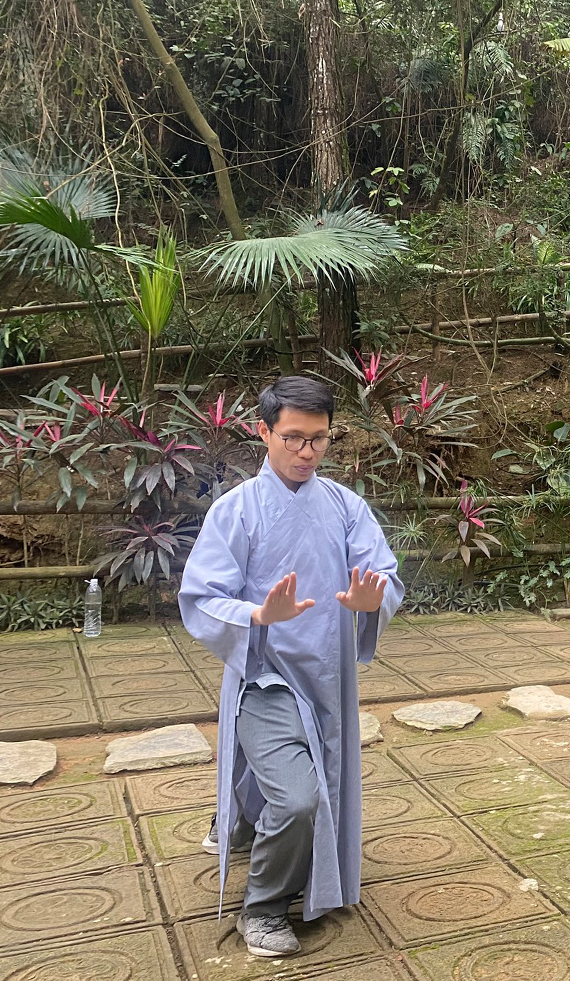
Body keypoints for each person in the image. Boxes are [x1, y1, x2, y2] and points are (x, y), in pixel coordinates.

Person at [179, 376, 404, 958]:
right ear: (263, 431)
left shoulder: (345, 506)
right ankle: (264, 906)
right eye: (293, 439)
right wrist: (257, 612)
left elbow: (381, 571)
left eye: (319, 440)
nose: (306, 453)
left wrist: (371, 600)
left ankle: (245, 817)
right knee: (300, 798)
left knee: (318, 782)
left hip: (327, 676)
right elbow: (202, 596)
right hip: (266, 679)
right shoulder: (236, 511)